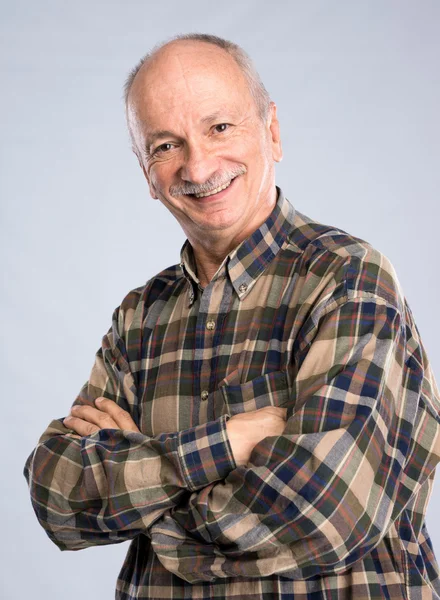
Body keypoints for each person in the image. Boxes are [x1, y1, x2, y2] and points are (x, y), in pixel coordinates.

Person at [24, 33, 440, 600]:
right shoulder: (138, 318)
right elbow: (57, 493)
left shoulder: (347, 280)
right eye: (166, 145)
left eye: (219, 127)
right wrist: (231, 441)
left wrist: (147, 504)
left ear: (271, 130)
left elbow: (322, 508)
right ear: (146, 171)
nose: (198, 164)